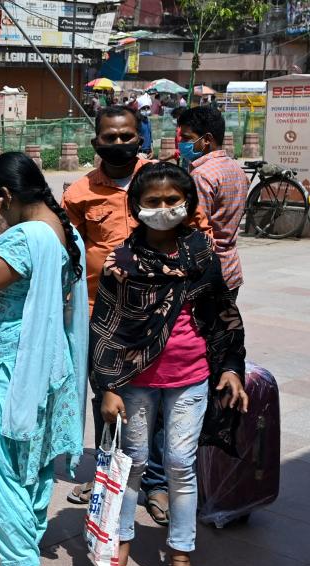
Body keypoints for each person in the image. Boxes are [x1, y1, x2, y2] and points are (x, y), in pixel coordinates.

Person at [89, 162, 247, 566]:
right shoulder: (121, 260)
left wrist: (231, 367)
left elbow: (223, 315)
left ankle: (180, 555)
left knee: (180, 464)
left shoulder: (201, 255)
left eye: (171, 201)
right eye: (153, 202)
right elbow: (105, 327)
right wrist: (109, 386)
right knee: (133, 462)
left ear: (188, 204)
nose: (163, 209)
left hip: (192, 376)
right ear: (137, 207)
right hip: (135, 382)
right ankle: (119, 541)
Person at [61, 105, 212, 522]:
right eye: (110, 137)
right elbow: (69, 252)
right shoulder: (78, 193)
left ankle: (157, 484)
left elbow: (198, 233)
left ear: (140, 136)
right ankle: (109, 472)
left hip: (164, 315)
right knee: (108, 397)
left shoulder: (161, 181)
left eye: (126, 135)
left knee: (161, 398)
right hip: (101, 315)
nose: (119, 143)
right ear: (96, 142)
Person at [0, 152, 87, 566]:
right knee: (29, 461)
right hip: (46, 361)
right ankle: (25, 539)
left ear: (4, 197)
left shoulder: (24, 238)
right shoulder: (65, 231)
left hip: (7, 366)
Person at [178, 106, 249, 299]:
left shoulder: (201, 176)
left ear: (207, 139)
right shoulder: (236, 168)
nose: (182, 144)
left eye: (186, 138)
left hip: (206, 274)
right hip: (231, 269)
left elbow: (196, 229)